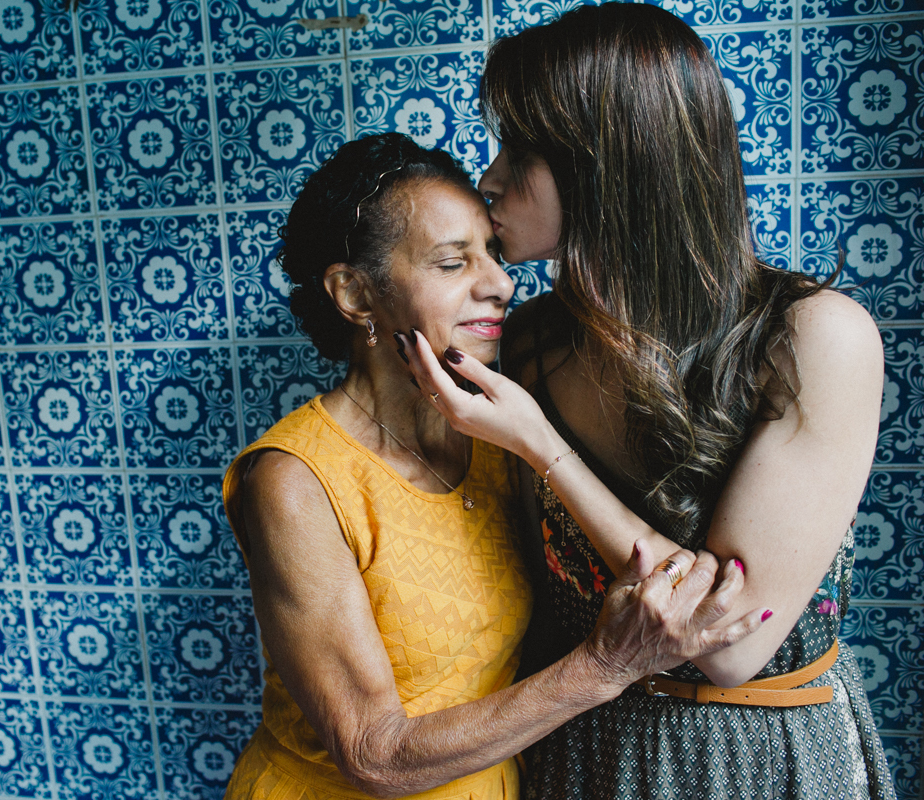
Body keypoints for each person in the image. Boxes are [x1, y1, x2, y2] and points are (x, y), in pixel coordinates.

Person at [402, 5, 896, 798]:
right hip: (584, 745)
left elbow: (731, 649)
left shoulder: (812, 340)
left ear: (609, 163)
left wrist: (543, 446)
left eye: (519, 152)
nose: (488, 179)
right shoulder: (529, 342)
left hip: (758, 753)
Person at [220, 131, 768, 800]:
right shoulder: (294, 482)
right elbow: (373, 755)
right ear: (356, 294)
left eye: (494, 255)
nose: (502, 284)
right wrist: (604, 666)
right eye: (454, 263)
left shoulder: (496, 436)